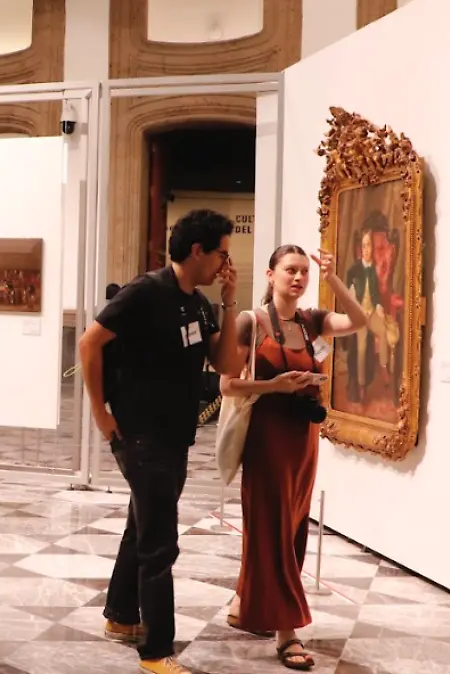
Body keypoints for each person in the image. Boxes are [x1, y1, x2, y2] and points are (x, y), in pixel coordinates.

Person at [78, 209, 246, 674]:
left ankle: (120, 616)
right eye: (222, 254)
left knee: (143, 525)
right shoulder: (145, 291)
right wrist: (99, 411)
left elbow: (228, 364)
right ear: (197, 250)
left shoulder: (200, 304)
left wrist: (230, 302)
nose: (225, 264)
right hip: (140, 433)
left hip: (174, 434)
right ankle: (155, 651)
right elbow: (89, 343)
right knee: (159, 543)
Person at [220, 244, 366, 670]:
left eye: (304, 271)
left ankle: (246, 601)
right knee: (273, 527)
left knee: (291, 526)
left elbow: (359, 321)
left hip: (303, 438)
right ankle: (287, 631)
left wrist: (334, 278)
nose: (299, 277)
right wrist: (275, 386)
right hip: (267, 437)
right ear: (270, 275)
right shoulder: (252, 322)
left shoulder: (312, 321)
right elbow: (227, 385)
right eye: (290, 270)